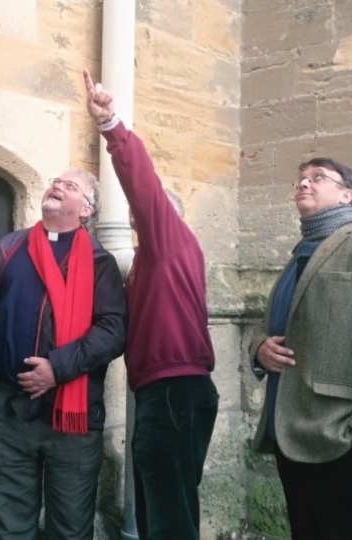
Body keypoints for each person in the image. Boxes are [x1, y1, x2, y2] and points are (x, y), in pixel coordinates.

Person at [248, 158, 352, 540]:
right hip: (291, 436)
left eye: (317, 177)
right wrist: (259, 347)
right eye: (300, 178)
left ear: (347, 195)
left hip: (344, 442)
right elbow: (269, 325)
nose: (304, 183)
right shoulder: (297, 258)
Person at [83, 69, 219, 540]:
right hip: (160, 394)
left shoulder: (170, 241)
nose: (141, 216)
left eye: (151, 211)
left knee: (168, 517)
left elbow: (143, 187)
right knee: (165, 508)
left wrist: (110, 126)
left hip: (174, 391)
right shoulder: (145, 263)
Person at [0, 167, 126, 540]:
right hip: (8, 411)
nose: (57, 187)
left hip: (74, 420)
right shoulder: (6, 250)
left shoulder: (101, 264)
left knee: (70, 529)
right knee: (11, 528)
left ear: (87, 210)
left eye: (70, 186)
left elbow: (113, 332)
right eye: (56, 182)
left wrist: (58, 368)